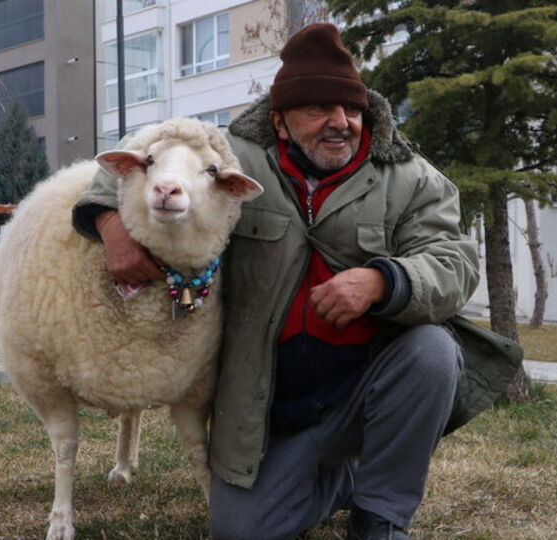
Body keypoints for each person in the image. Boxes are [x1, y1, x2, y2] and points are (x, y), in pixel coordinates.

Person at [74, 23, 486, 540]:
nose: (340, 123)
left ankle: (380, 515)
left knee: (431, 350)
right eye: (318, 109)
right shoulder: (230, 157)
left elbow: (454, 261)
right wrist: (112, 227)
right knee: (242, 532)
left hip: (363, 389)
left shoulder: (410, 177)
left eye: (352, 110)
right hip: (267, 407)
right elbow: (133, 160)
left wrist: (384, 280)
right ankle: (339, 479)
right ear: (281, 122)